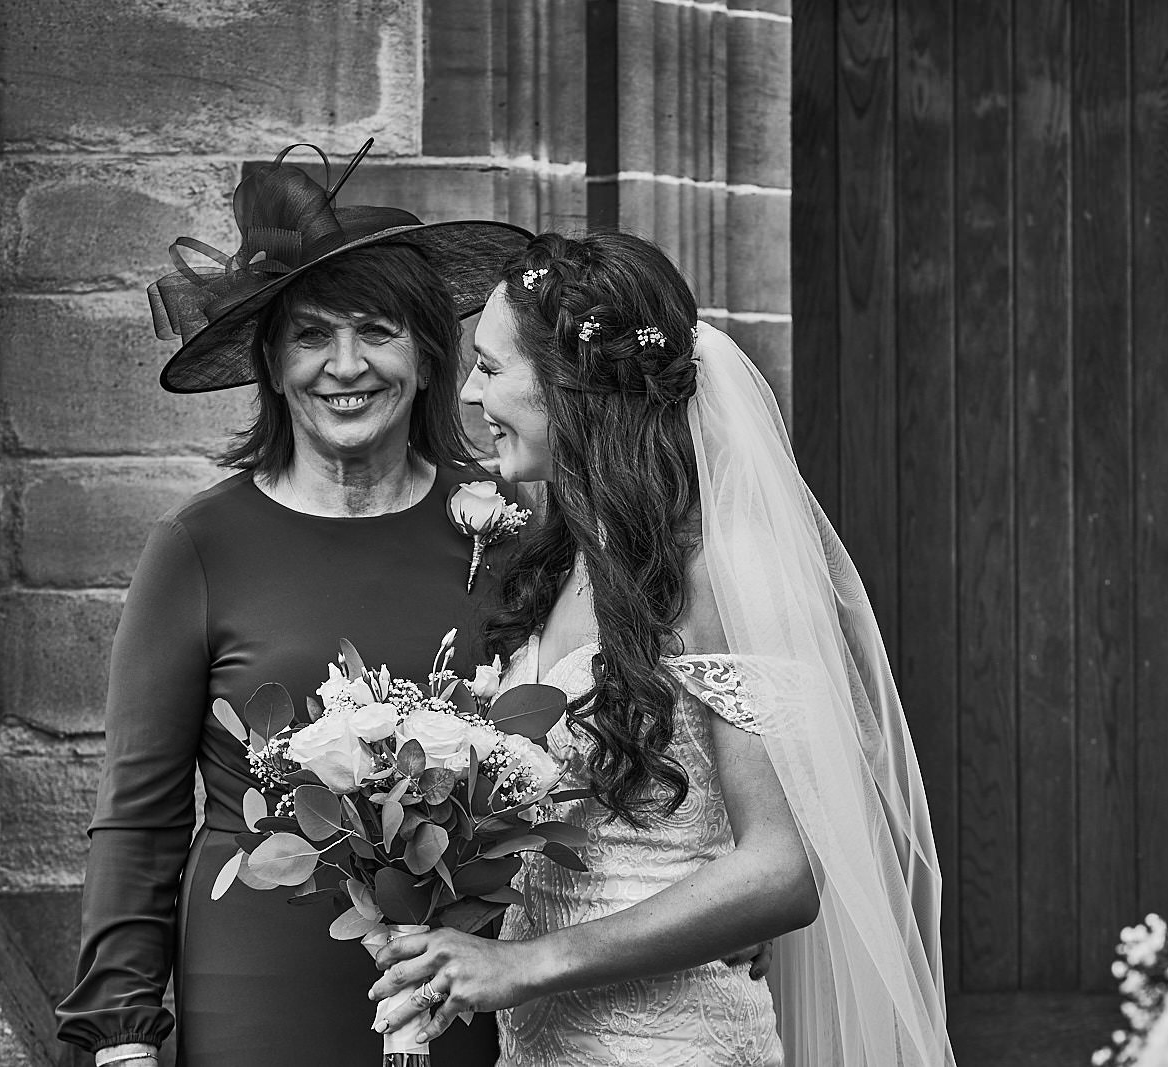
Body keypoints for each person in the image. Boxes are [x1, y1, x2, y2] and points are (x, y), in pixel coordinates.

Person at [368, 232, 956, 1066]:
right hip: (543, 1044)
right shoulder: (554, 555)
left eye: (492, 369)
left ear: (574, 388)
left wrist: (524, 963)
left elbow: (784, 869)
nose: (467, 392)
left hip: (672, 1041)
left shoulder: (719, 571)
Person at [54, 142, 531, 1067]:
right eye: (312, 335)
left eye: (377, 331)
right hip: (254, 980)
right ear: (270, 365)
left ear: (430, 358)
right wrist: (119, 1040)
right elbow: (140, 816)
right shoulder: (198, 548)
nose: (345, 365)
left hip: (461, 982)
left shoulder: (505, 535)